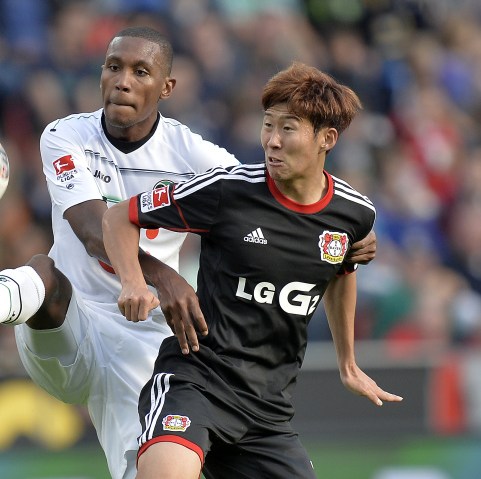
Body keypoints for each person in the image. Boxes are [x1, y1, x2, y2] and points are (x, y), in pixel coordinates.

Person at [0, 28, 377, 479]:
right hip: (69, 323)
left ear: (166, 88)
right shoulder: (65, 135)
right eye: (113, 67)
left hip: (142, 336)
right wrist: (160, 277)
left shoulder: (195, 153)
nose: (123, 81)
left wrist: (346, 235)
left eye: (140, 71)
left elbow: (259, 197)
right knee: (46, 275)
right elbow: (96, 229)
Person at [102, 62, 400, 479]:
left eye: (289, 129)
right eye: (267, 125)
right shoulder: (228, 189)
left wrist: (347, 362)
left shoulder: (353, 213)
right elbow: (119, 217)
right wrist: (134, 280)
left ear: (326, 139)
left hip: (267, 412)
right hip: (196, 382)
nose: (272, 141)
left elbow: (340, 271)